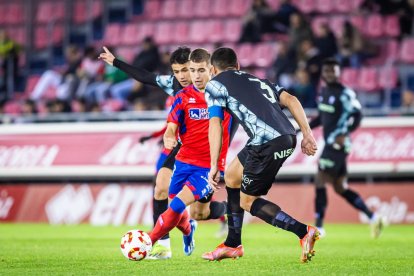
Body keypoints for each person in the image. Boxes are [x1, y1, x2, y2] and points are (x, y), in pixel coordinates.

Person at [99, 46, 227, 259]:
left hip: (209, 152)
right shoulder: (176, 87)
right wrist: (116, 62)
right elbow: (146, 77)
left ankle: (227, 209)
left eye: (187, 70)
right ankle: (163, 247)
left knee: (199, 213)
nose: (184, 76)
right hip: (182, 147)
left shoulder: (218, 91)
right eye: (177, 72)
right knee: (160, 187)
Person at [203, 47, 319, 263]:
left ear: (212, 69)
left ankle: (303, 231)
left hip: (266, 142)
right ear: (237, 66)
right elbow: (292, 99)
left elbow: (215, 125)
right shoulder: (258, 80)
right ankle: (232, 244)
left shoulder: (214, 84)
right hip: (286, 136)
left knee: (247, 202)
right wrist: (307, 134)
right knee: (232, 176)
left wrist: (212, 165)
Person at [148, 48, 232, 257]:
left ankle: (147, 242)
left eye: (200, 70)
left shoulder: (225, 95)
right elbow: (171, 126)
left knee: (176, 206)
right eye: (192, 70)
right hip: (183, 162)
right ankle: (189, 230)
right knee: (195, 214)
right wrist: (169, 135)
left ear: (211, 70)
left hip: (209, 166)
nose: (195, 75)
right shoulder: (182, 97)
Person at [308, 58, 384, 238]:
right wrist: (304, 127)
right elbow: (322, 116)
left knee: (320, 180)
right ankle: (373, 217)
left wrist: (346, 132)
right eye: (327, 71)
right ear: (323, 73)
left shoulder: (345, 93)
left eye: (333, 71)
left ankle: (320, 226)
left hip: (337, 144)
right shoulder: (324, 92)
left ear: (339, 72)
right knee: (340, 187)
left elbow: (358, 114)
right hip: (332, 144)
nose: (329, 74)